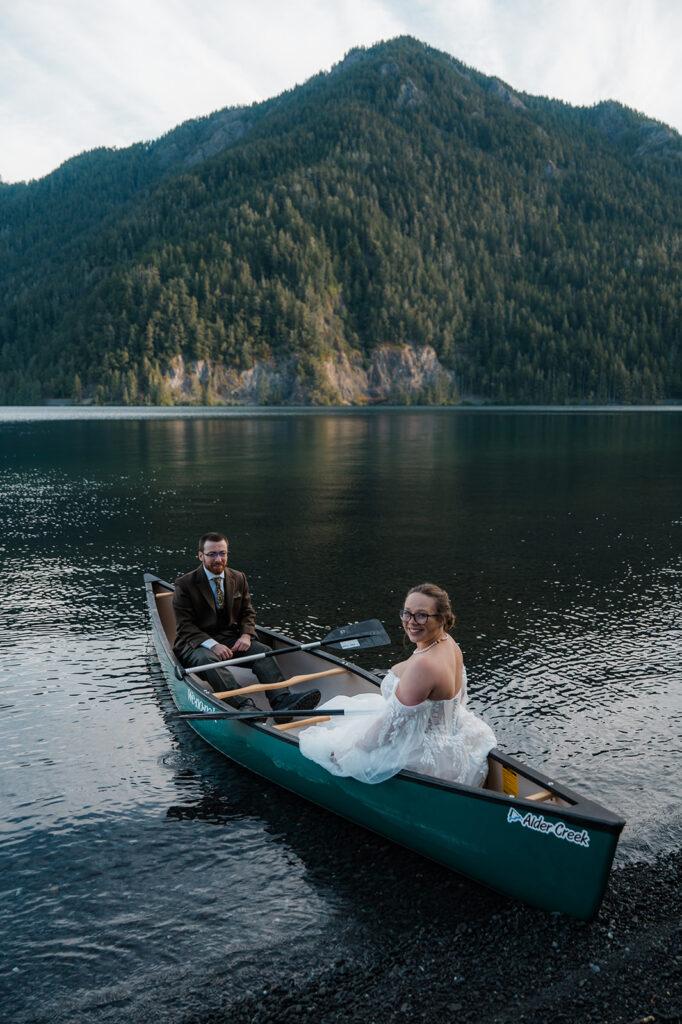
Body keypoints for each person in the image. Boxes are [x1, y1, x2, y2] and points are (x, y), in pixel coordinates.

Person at [298, 583, 495, 785]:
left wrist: (348, 750)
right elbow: (460, 699)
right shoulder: (450, 644)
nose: (411, 622)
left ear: (442, 618)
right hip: (453, 741)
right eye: (407, 613)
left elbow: (387, 729)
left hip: (423, 755)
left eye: (421, 615)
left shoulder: (424, 666)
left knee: (326, 743)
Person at [172, 532, 320, 716]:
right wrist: (213, 645)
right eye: (212, 554)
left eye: (222, 553)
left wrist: (245, 634)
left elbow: (247, 613)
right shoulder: (185, 584)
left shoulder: (238, 577)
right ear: (201, 555)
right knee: (207, 661)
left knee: (263, 651)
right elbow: (185, 626)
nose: (218, 559)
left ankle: (282, 701)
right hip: (195, 644)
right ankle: (243, 705)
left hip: (229, 637)